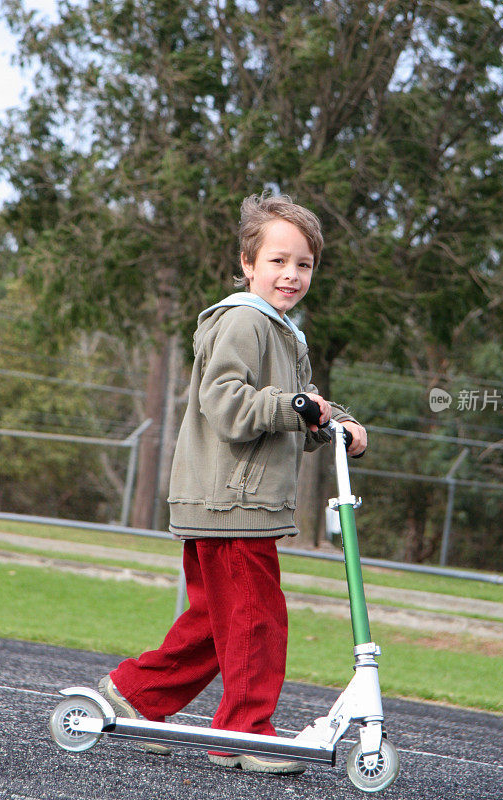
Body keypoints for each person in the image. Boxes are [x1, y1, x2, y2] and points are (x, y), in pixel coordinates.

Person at [98, 193, 368, 774]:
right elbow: (225, 400)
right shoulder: (244, 320)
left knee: (214, 624)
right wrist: (296, 405)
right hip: (231, 500)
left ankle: (132, 695)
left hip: (239, 501)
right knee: (256, 620)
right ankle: (243, 732)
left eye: (303, 265)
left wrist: (336, 420)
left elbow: (302, 407)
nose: (291, 275)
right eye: (277, 261)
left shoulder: (285, 334)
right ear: (248, 263)